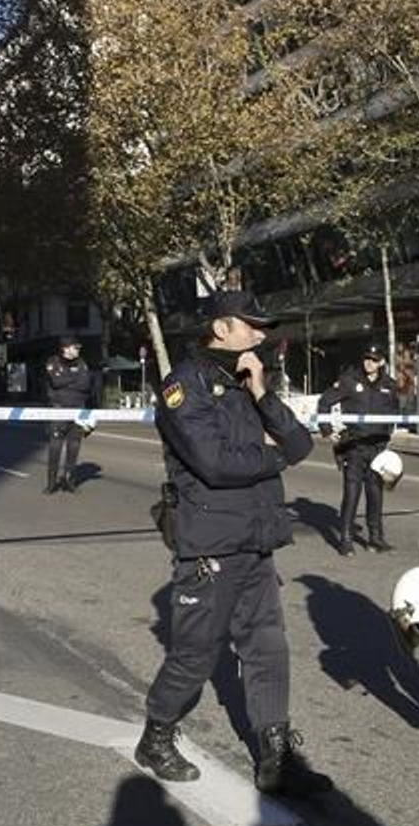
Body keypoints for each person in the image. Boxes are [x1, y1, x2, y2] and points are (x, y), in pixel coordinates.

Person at [135, 290, 333, 798]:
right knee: (196, 655)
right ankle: (156, 736)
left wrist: (264, 394)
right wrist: (271, 455)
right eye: (253, 326)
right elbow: (216, 464)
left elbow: (301, 444)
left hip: (257, 539)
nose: (262, 335)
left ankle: (276, 760)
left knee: (268, 649)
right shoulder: (185, 385)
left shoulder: (246, 381)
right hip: (211, 547)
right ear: (222, 329)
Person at [316, 343, 400, 555]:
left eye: (373, 359)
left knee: (375, 494)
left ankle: (376, 538)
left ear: (381, 361)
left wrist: (387, 434)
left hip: (378, 447)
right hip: (354, 446)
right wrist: (327, 430)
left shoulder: (389, 385)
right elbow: (324, 402)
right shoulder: (349, 380)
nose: (368, 363)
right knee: (352, 494)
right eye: (366, 358)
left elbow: (395, 411)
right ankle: (345, 540)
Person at [44, 335, 96, 494]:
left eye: (78, 348)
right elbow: (56, 381)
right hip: (59, 410)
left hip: (78, 411)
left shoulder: (82, 364)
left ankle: (69, 481)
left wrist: (68, 380)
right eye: (75, 347)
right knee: (55, 448)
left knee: (74, 447)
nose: (78, 350)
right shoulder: (53, 362)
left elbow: (85, 384)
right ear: (65, 348)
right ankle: (51, 483)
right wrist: (74, 379)